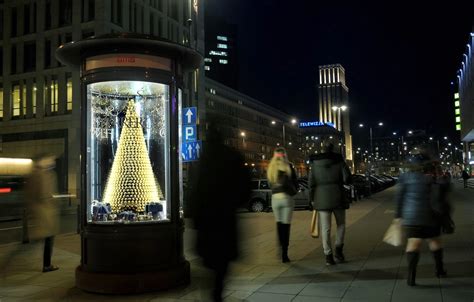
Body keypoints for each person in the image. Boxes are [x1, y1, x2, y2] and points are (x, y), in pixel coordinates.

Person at [189, 124, 251, 302]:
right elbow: (245, 188)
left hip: (206, 220)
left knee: (208, 260)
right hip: (225, 218)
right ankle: (217, 293)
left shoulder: (202, 159)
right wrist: (233, 203)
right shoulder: (232, 156)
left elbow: (193, 190)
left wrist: (194, 216)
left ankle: (212, 293)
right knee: (221, 263)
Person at [395, 150, 450, 286]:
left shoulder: (405, 177)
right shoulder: (433, 177)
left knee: (413, 244)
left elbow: (399, 197)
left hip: (411, 218)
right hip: (431, 216)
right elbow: (444, 192)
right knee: (435, 242)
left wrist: (397, 216)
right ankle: (439, 270)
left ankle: (411, 277)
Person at [308, 141, 351, 265]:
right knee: (341, 224)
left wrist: (311, 200)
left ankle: (328, 256)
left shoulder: (315, 164)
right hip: (338, 196)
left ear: (322, 150)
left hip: (321, 198)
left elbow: (311, 183)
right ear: (333, 149)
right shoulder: (339, 161)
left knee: (326, 229)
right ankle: (338, 249)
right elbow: (347, 178)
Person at [25, 154, 60, 273]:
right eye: (52, 160)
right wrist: (53, 201)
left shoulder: (34, 173)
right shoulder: (45, 174)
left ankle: (46, 264)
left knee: (45, 237)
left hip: (40, 211)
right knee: (48, 238)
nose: (53, 162)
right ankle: (47, 265)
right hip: (45, 212)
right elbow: (45, 194)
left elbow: (31, 194)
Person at [267, 147, 298, 263]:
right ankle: (285, 253)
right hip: (287, 199)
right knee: (286, 226)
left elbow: (270, 184)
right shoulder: (288, 166)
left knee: (279, 225)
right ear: (285, 155)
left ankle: (280, 247)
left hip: (275, 199)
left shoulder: (271, 167)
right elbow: (295, 182)